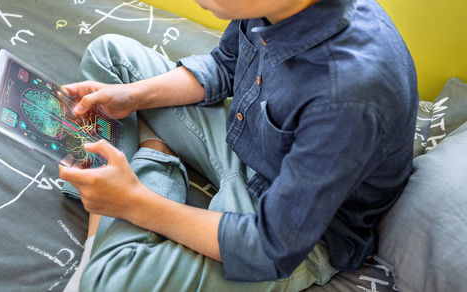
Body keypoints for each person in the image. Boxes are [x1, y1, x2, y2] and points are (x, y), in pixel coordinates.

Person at [59, 0, 418, 290]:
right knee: (110, 57)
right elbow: (225, 66)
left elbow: (270, 247)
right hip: (251, 140)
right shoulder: (278, 8)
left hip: (292, 230)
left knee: (109, 282)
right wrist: (131, 97)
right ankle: (128, 177)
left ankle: (151, 160)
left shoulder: (349, 95)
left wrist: (136, 203)